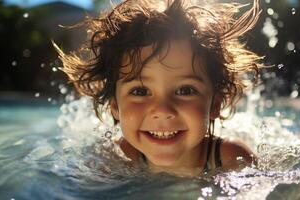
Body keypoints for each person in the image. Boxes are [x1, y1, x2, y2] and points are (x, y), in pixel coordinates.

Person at [54, 0, 262, 176]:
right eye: (140, 91)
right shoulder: (120, 158)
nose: (162, 111)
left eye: (185, 90)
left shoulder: (231, 159)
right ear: (115, 106)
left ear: (215, 103)